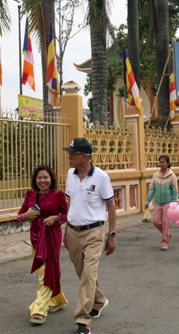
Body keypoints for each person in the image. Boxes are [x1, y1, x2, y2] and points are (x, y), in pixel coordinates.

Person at [62, 138, 116, 334]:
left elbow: (111, 207)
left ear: (84, 156)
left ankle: (83, 321)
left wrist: (111, 235)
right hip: (73, 232)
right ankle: (99, 300)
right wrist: (66, 230)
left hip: (94, 232)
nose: (68, 156)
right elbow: (71, 203)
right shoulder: (70, 174)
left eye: (72, 153)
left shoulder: (101, 177)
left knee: (88, 274)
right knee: (82, 273)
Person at [17, 165, 68, 325]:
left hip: (52, 235)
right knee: (44, 270)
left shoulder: (58, 195)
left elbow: (68, 215)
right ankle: (57, 300)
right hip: (36, 235)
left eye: (45, 177)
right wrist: (26, 215)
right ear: (35, 180)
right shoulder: (31, 194)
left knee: (47, 269)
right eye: (39, 178)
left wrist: (56, 218)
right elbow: (20, 215)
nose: (43, 180)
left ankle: (39, 309)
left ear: (51, 178)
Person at [145, 155, 178, 250]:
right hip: (157, 202)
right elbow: (152, 189)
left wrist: (174, 202)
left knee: (165, 222)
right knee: (156, 221)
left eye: (163, 162)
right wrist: (147, 201)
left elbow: (175, 190)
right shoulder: (155, 175)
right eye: (160, 162)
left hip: (168, 202)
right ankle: (167, 234)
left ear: (168, 163)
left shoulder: (172, 176)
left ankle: (164, 242)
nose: (161, 164)